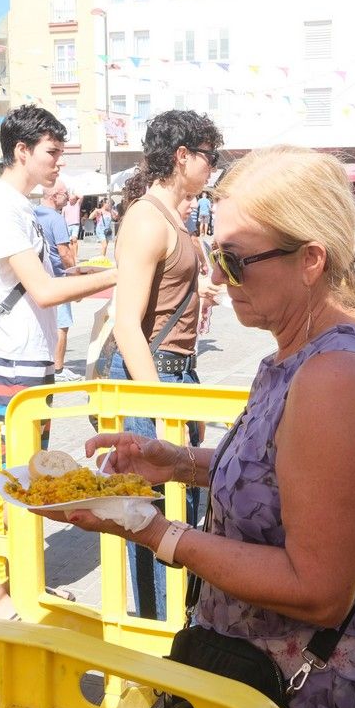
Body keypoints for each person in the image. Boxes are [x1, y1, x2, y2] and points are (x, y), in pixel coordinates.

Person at [53, 145, 355, 708]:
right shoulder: (299, 349)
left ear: (310, 259)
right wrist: (179, 463)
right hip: (264, 683)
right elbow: (289, 476)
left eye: (235, 260)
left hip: (305, 705)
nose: (218, 278)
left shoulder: (333, 376)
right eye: (215, 254)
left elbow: (320, 586)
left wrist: (155, 532)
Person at [0, 105, 117, 618]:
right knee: (6, 477)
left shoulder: (19, 206)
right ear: (22, 151)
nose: (58, 163)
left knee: (27, 475)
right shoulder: (1, 207)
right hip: (9, 360)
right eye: (52, 152)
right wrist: (117, 274)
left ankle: (23, 581)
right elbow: (46, 289)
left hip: (26, 358)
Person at [111, 110, 221, 620]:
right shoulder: (147, 218)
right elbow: (126, 324)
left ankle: (178, 631)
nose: (213, 166)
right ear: (182, 156)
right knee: (151, 515)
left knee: (183, 512)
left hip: (177, 371)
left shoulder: (176, 217)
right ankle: (156, 641)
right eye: (208, 156)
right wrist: (158, 403)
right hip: (151, 374)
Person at [33, 180, 82, 382]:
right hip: (59, 278)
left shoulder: (33, 214)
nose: (68, 196)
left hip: (39, 277)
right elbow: (64, 252)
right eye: (65, 193)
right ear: (54, 196)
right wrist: (76, 275)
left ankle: (47, 363)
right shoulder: (56, 219)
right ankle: (59, 369)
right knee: (62, 325)